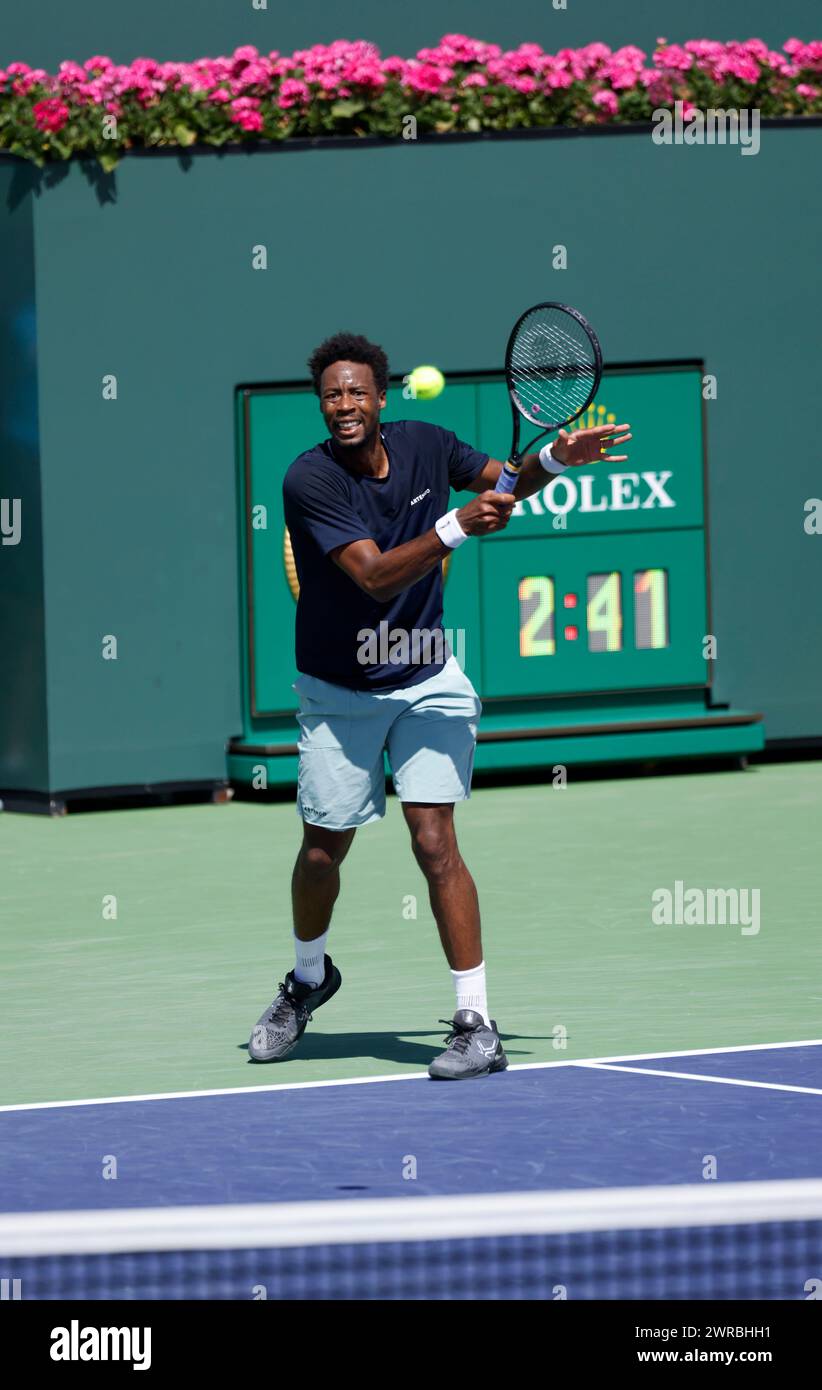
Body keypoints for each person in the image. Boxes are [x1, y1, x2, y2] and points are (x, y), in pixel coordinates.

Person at [249, 332, 630, 1079]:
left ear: (382, 397)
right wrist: (457, 525)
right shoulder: (309, 480)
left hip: (428, 678)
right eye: (333, 395)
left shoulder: (428, 443)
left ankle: (475, 1022)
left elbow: (506, 484)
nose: (346, 406)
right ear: (321, 404)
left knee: (435, 842)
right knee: (323, 851)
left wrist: (551, 463)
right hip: (339, 691)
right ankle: (306, 980)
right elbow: (376, 577)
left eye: (358, 392)